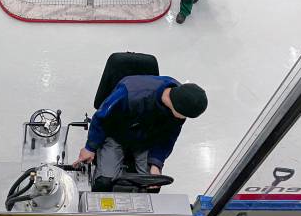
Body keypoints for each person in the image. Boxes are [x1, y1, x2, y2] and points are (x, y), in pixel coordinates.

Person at [73, 74, 208, 191]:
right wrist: (90, 148)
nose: (184, 119)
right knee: (104, 182)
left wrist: (156, 163)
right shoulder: (130, 94)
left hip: (146, 140)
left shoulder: (182, 104)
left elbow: (168, 138)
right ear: (177, 107)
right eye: (184, 115)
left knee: (151, 184)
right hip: (116, 135)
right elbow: (101, 117)